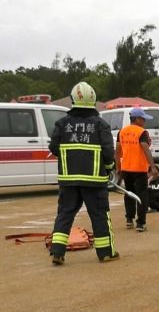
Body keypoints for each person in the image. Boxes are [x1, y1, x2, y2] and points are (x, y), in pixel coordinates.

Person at [48, 82, 118, 265]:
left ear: (72, 100)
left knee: (65, 214)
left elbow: (54, 147)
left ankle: (57, 252)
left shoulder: (62, 124)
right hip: (94, 181)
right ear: (93, 100)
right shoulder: (100, 124)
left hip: (68, 180)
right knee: (100, 215)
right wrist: (109, 167)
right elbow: (109, 153)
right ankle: (106, 253)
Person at [115, 107, 158, 232]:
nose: (144, 121)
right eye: (143, 118)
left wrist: (118, 168)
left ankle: (129, 220)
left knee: (129, 194)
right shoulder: (142, 132)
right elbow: (145, 147)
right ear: (137, 119)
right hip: (139, 169)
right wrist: (153, 166)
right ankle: (141, 223)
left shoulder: (121, 132)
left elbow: (117, 151)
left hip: (126, 168)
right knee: (142, 195)